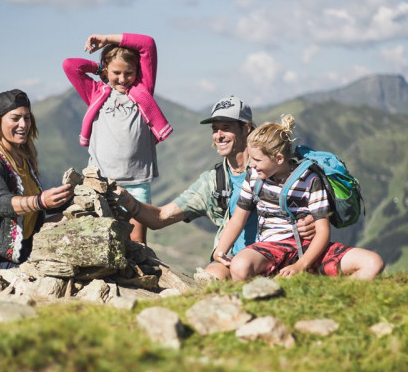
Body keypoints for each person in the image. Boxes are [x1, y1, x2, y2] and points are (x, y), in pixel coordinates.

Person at [116, 95, 315, 280]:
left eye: (226, 127)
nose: (218, 135)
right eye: (214, 129)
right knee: (210, 278)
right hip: (232, 261)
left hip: (284, 255)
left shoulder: (275, 164)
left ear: (246, 128)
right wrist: (127, 200)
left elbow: (316, 199)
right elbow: (160, 217)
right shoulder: (213, 182)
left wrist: (311, 220)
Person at [213, 114, 384, 281]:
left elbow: (323, 231)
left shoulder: (310, 179)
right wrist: (220, 251)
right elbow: (237, 220)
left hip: (308, 249)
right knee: (239, 266)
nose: (251, 165)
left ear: (279, 158)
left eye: (257, 160)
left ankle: (330, 293)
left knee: (373, 263)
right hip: (270, 248)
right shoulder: (254, 176)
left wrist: (300, 265)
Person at [62, 33, 172, 244]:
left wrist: (107, 39)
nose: (122, 79)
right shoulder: (95, 92)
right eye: (116, 73)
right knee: (102, 241)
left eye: (129, 73)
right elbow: (70, 66)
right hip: (101, 182)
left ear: (137, 71)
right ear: (106, 70)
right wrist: (98, 69)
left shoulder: (143, 91)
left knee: (137, 243)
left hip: (136, 183)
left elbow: (147, 44)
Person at [0, 89, 74, 277]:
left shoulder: (24, 157)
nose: (23, 125)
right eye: (15, 118)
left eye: (27, 118)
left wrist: (72, 197)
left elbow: (37, 207)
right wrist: (41, 201)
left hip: (24, 253)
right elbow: (2, 203)